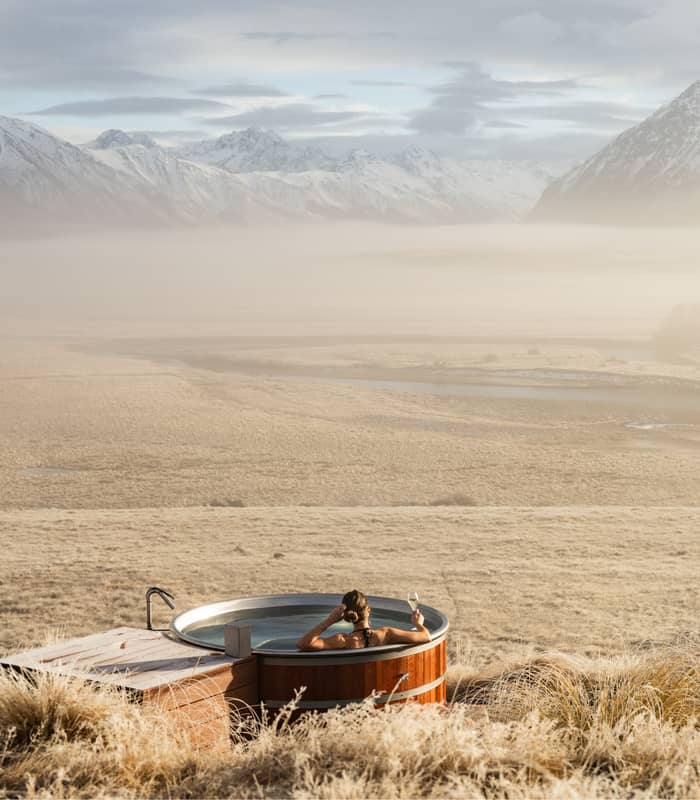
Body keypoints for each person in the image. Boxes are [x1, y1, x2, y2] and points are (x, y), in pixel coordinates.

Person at [296, 589, 430, 651]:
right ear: (369, 610)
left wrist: (329, 621)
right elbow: (426, 637)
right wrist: (418, 625)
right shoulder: (386, 634)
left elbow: (304, 644)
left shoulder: (343, 641)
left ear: (345, 615)